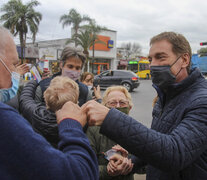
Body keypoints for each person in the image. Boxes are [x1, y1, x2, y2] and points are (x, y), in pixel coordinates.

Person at [61, 31, 207, 180]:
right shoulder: (165, 97)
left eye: (160, 57)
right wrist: (131, 162)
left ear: (184, 59)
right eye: (150, 59)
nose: (153, 65)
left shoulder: (202, 100)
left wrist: (109, 117)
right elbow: (159, 145)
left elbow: (175, 153)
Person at [0, 26, 98, 179]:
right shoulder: (44, 85)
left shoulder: (84, 90)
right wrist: (70, 125)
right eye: (70, 66)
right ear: (61, 65)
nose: (74, 71)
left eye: (78, 68)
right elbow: (35, 116)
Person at [86, 86, 134, 180]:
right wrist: (107, 170)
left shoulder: (136, 130)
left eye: (122, 102)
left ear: (130, 107)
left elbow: (146, 167)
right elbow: (86, 168)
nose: (117, 106)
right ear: (104, 107)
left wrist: (129, 160)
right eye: (112, 103)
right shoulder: (93, 130)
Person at [19, 76, 79, 148]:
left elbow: (25, 98)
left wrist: (34, 81)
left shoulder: (35, 113)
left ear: (45, 97)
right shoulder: (79, 123)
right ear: (75, 102)